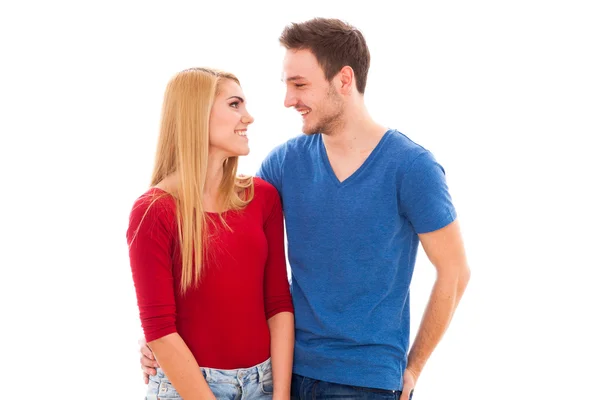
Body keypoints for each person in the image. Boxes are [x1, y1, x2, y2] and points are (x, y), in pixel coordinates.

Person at [140, 18, 470, 400]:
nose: (288, 100)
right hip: (283, 373)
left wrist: (413, 368)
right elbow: (231, 259)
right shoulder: (284, 164)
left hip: (364, 381)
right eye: (286, 85)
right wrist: (159, 336)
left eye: (300, 85)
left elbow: (455, 271)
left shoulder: (412, 168)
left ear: (344, 81)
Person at [127, 67, 295, 400]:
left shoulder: (263, 198)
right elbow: (160, 331)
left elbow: (277, 304)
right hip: (188, 388)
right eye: (235, 104)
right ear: (197, 115)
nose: (248, 117)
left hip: (265, 382)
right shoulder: (154, 211)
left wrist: (281, 395)